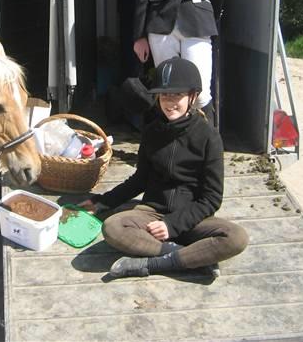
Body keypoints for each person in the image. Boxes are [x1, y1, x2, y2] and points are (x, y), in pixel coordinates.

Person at [78, 57, 248, 278]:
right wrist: (102, 201)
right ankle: (192, 258)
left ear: (193, 96)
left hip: (192, 219)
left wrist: (172, 225)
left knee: (236, 237)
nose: (170, 102)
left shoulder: (209, 137)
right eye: (164, 95)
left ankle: (152, 264)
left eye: (177, 94)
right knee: (112, 227)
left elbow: (212, 198)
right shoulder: (151, 131)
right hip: (152, 213)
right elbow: (140, 179)